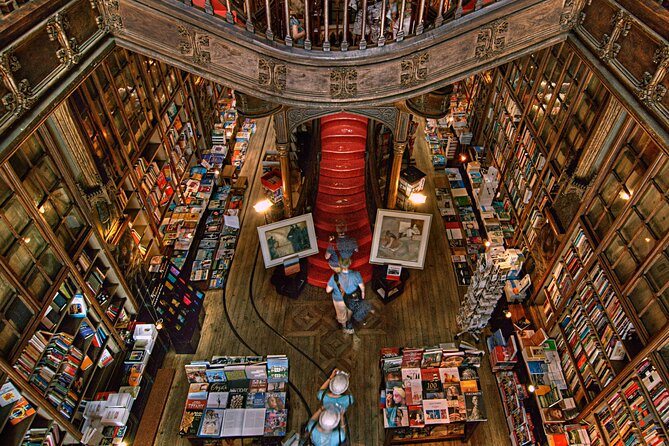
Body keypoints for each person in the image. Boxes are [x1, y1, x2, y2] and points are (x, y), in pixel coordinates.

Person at [325, 258, 364, 334]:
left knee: (341, 314)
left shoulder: (334, 277)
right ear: (350, 263)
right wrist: (362, 294)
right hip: (352, 299)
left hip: (339, 300)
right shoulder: (356, 274)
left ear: (339, 264)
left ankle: (344, 327)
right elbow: (362, 287)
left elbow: (327, 290)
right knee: (350, 311)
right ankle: (349, 323)